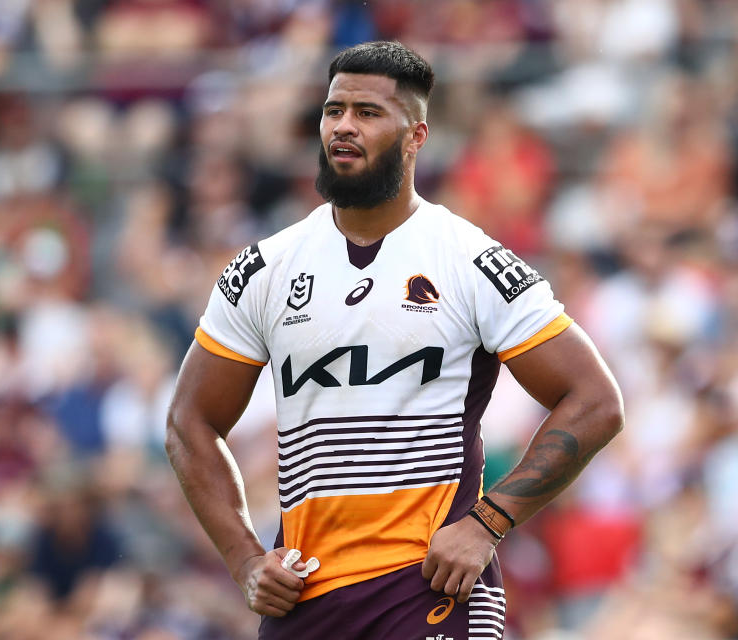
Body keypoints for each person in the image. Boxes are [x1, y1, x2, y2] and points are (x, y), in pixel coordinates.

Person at [166, 41, 623, 640]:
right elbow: (189, 422)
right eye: (334, 111)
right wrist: (246, 558)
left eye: (369, 112)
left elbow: (596, 401)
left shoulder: (470, 260)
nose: (344, 127)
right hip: (306, 597)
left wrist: (488, 523)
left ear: (417, 137)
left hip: (431, 585)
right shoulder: (264, 269)